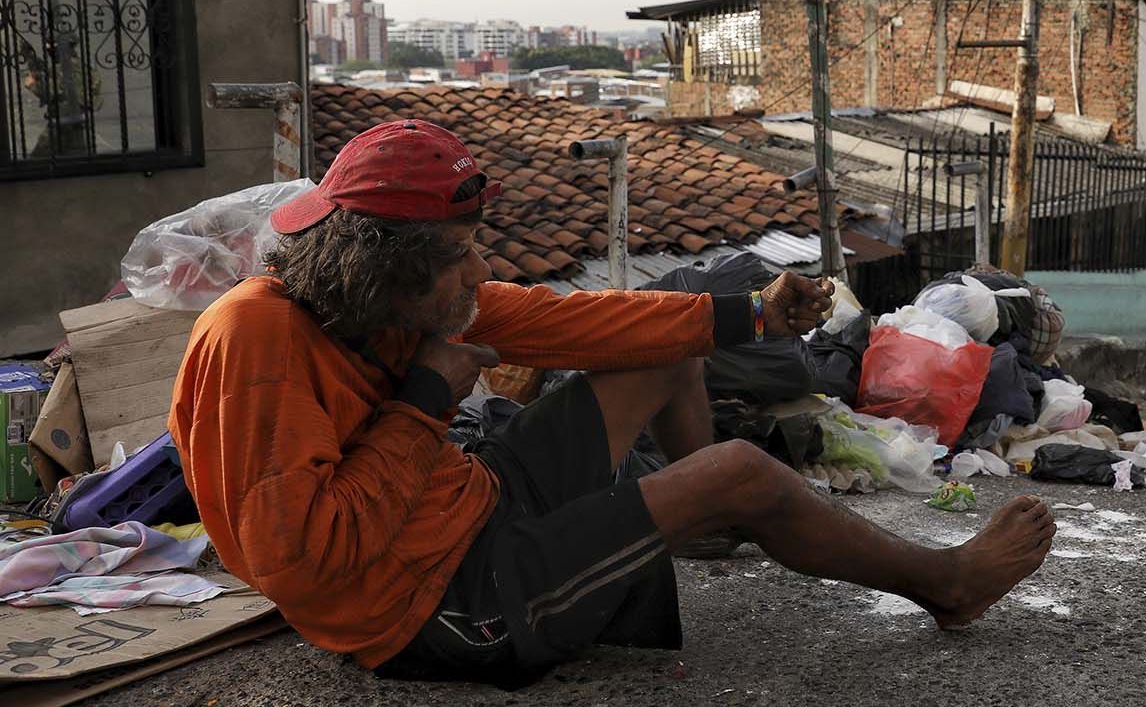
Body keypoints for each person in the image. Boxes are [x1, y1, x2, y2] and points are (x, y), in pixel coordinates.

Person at [168, 120, 1056, 686]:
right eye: (458, 255)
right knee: (742, 469)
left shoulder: (391, 301)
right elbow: (303, 564)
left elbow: (585, 320)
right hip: (435, 606)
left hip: (462, 510)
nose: (479, 273)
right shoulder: (258, 343)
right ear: (383, 263)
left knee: (661, 354)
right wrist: (427, 399)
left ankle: (691, 517)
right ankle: (947, 585)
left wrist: (750, 312)